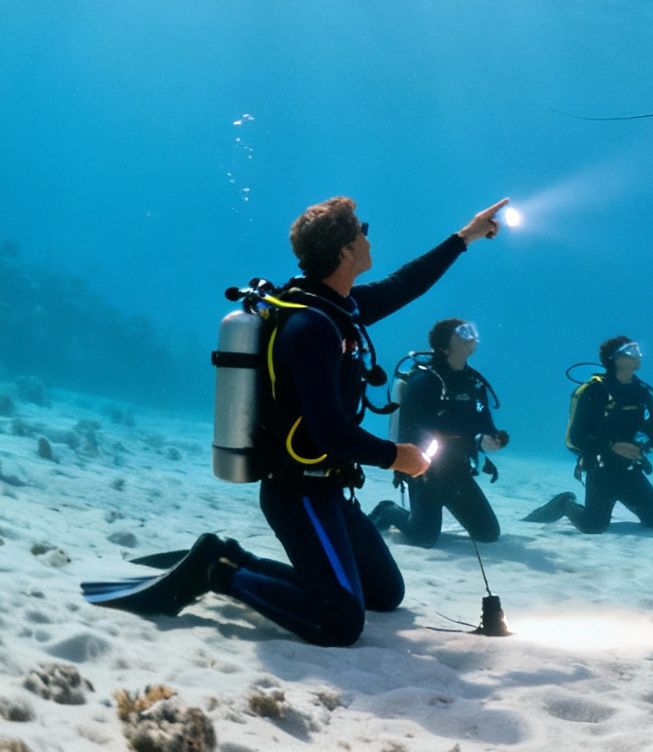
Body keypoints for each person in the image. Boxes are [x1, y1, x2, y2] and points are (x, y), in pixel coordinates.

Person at [82, 196, 508, 647]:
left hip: (329, 488)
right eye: (362, 230)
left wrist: (465, 236)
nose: (368, 236)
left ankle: (238, 562)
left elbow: (405, 284)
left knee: (385, 594)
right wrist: (395, 457)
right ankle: (217, 570)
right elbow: (328, 430)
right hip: (298, 491)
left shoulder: (340, 308)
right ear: (345, 251)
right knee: (339, 622)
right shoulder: (311, 327)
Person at [369, 318, 508, 547]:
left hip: (458, 469)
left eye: (471, 329)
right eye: (462, 332)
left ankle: (429, 511)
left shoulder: (474, 383)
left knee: (488, 533)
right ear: (444, 346)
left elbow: (484, 424)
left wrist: (496, 438)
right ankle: (388, 510)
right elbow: (413, 430)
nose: (470, 334)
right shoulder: (425, 380)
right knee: (423, 537)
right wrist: (471, 439)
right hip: (425, 469)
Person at [526, 336, 653, 533]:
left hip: (630, 470)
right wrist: (612, 446)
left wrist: (643, 447)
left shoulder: (643, 394)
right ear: (614, 359)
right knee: (593, 525)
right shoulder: (592, 391)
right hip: (601, 469)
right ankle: (564, 503)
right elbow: (573, 439)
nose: (638, 357)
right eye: (631, 352)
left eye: (639, 352)